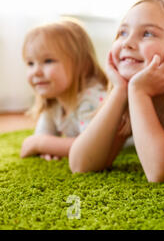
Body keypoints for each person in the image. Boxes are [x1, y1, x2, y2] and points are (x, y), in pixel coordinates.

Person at [68, 0, 164, 183]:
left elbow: (160, 172)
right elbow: (81, 164)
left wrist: (138, 92)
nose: (127, 43)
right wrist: (120, 90)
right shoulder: (127, 99)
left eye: (147, 34)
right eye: (123, 33)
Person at [20, 19, 107, 161]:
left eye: (48, 61)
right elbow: (43, 134)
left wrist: (40, 144)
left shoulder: (92, 99)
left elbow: (92, 147)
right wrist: (46, 144)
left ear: (83, 66)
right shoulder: (54, 99)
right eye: (30, 63)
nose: (36, 71)